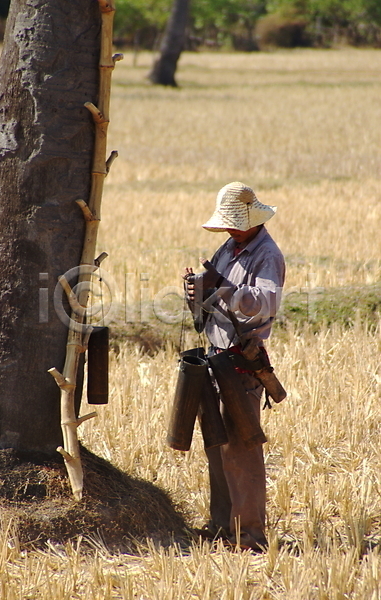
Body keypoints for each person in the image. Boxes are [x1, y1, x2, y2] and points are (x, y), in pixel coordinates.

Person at [183, 181, 285, 551]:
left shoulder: (266, 254)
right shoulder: (229, 247)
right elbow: (214, 299)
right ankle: (220, 525)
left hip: (242, 363)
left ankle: (250, 535)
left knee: (241, 452)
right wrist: (196, 290)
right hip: (215, 356)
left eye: (232, 223)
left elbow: (265, 303)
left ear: (251, 221)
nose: (227, 229)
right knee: (217, 446)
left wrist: (221, 286)